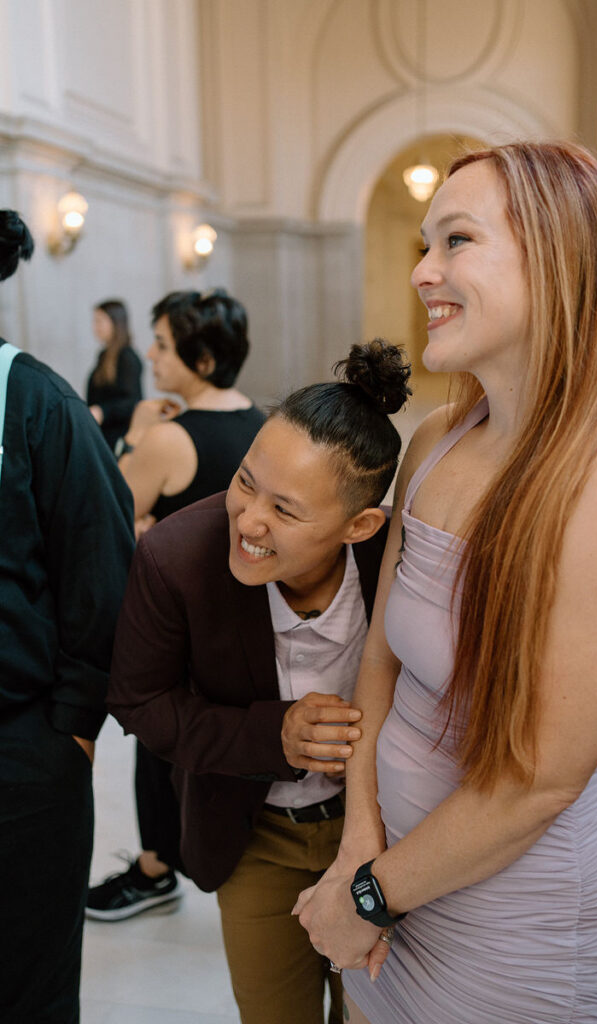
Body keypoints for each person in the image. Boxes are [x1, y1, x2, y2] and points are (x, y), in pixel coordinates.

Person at [294, 141, 597, 1024]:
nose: (422, 273)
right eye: (423, 246)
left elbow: (537, 782)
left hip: (526, 917)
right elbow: (380, 664)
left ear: (555, 258)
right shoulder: (436, 440)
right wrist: (361, 844)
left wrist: (367, 899)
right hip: (391, 871)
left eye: (455, 241)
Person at [106, 339, 411, 1024]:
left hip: (389, 833)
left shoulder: (394, 561)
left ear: (360, 525)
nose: (247, 522)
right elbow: (138, 701)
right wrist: (272, 734)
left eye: (287, 511)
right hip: (252, 834)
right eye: (246, 482)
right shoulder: (175, 557)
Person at [87, 288, 266, 921]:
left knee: (160, 741)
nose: (153, 357)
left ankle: (156, 867)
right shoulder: (264, 424)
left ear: (204, 360)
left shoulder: (167, 438)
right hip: (250, 624)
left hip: (182, 626)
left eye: (164, 345)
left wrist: (134, 435)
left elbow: (109, 517)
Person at [0, 211, 135, 1022]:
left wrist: (72, 730)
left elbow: (100, 572)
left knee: (26, 982)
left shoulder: (35, 402)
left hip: (19, 752)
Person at [87, 299, 143, 451]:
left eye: (99, 321)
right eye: (94, 321)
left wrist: (102, 411)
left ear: (115, 322)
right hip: (103, 435)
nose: (95, 327)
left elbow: (132, 402)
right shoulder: (103, 355)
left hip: (119, 437)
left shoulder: (127, 357)